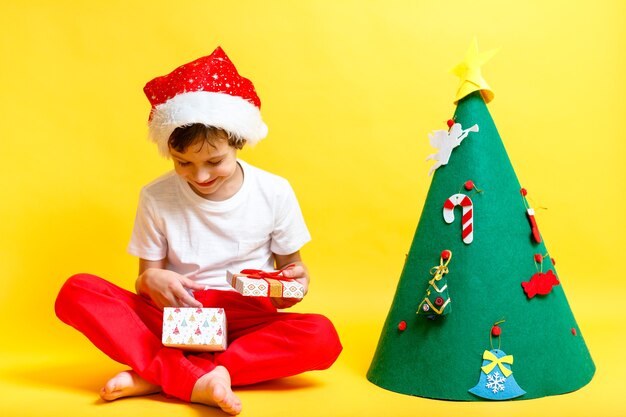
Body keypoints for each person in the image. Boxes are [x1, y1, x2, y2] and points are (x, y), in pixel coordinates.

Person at [55, 46, 342, 415]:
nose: (200, 175)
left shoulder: (274, 191)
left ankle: (167, 374)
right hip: (174, 314)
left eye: (214, 161)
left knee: (322, 336)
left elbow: (291, 275)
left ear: (237, 142)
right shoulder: (155, 196)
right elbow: (146, 280)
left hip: (245, 316)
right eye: (183, 163)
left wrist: (291, 288)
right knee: (77, 291)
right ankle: (197, 378)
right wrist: (151, 282)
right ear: (169, 153)